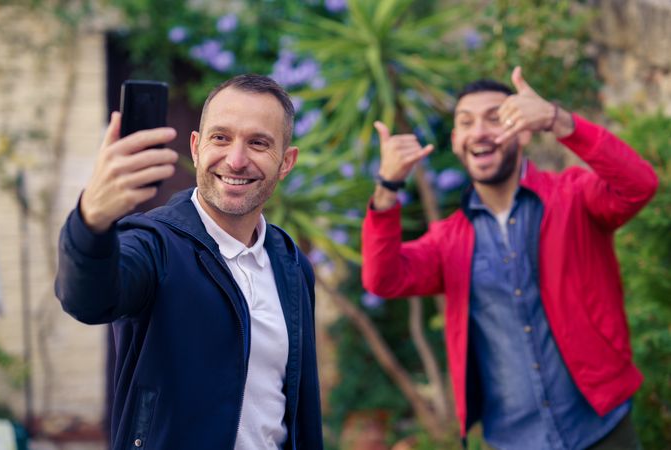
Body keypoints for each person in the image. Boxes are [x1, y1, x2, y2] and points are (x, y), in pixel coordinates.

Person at [361, 67, 658, 449]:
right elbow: (382, 279)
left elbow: (639, 185)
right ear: (455, 141)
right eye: (466, 123)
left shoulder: (573, 197)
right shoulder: (448, 240)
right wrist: (387, 188)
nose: (480, 131)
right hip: (513, 439)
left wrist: (558, 118)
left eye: (496, 118)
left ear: (524, 130)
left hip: (601, 427)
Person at [55, 74, 323, 449]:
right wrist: (90, 222)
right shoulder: (154, 245)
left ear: (286, 162)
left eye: (259, 143)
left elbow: (300, 410)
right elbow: (86, 298)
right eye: (221, 137)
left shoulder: (291, 265)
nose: (236, 159)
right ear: (196, 147)